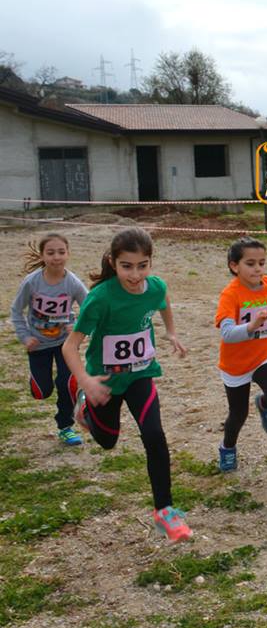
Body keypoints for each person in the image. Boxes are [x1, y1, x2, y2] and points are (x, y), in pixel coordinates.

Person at [61, 228, 192, 542]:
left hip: (141, 374)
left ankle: (165, 512)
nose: (136, 274)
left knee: (154, 435)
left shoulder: (155, 286)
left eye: (142, 265)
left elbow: (163, 302)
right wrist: (86, 380)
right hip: (103, 381)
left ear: (150, 263)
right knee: (107, 443)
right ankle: (82, 404)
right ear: (113, 263)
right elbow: (70, 347)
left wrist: (171, 332)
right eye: (127, 266)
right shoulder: (100, 298)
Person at [215, 237, 267, 473]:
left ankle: (264, 403)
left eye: (262, 262)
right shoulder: (230, 295)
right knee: (237, 415)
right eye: (250, 263)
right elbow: (228, 333)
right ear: (234, 266)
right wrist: (251, 327)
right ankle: (228, 447)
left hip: (265, 356)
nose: (258, 268)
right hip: (236, 364)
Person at [10, 233, 88, 446]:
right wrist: (25, 337)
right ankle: (44, 384)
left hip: (65, 345)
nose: (57, 257)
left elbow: (91, 307)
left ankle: (65, 426)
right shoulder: (32, 282)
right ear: (43, 255)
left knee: (66, 383)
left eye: (61, 252)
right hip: (38, 344)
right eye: (51, 252)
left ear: (68, 254)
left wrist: (78, 327)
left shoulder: (72, 283)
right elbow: (16, 310)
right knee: (41, 392)